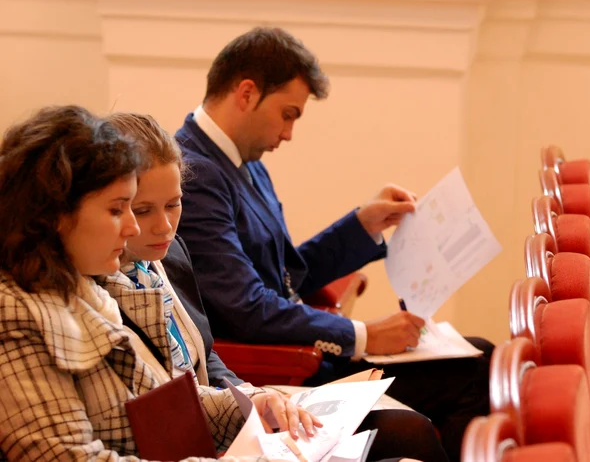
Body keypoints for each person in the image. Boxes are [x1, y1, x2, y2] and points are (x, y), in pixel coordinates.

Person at [174, 27, 493, 461]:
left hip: (299, 349)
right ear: (246, 93)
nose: (288, 133)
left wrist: (362, 225)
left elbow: (287, 275)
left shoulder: (245, 161)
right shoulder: (196, 173)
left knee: (482, 359)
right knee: (466, 383)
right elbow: (246, 308)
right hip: (277, 366)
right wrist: (364, 335)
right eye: (288, 114)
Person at [100, 111, 449, 462]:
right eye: (143, 210)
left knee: (410, 432)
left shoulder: (170, 252)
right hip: (193, 441)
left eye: (174, 205)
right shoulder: (100, 291)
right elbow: (246, 309)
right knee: (409, 436)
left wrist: (252, 398)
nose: (164, 226)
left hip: (226, 415)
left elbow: (205, 353)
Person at [0, 105, 315, 461]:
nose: (134, 227)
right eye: (119, 209)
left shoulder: (82, 289)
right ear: (56, 213)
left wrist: (251, 404)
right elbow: (69, 457)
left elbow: (160, 401)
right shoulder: (14, 312)